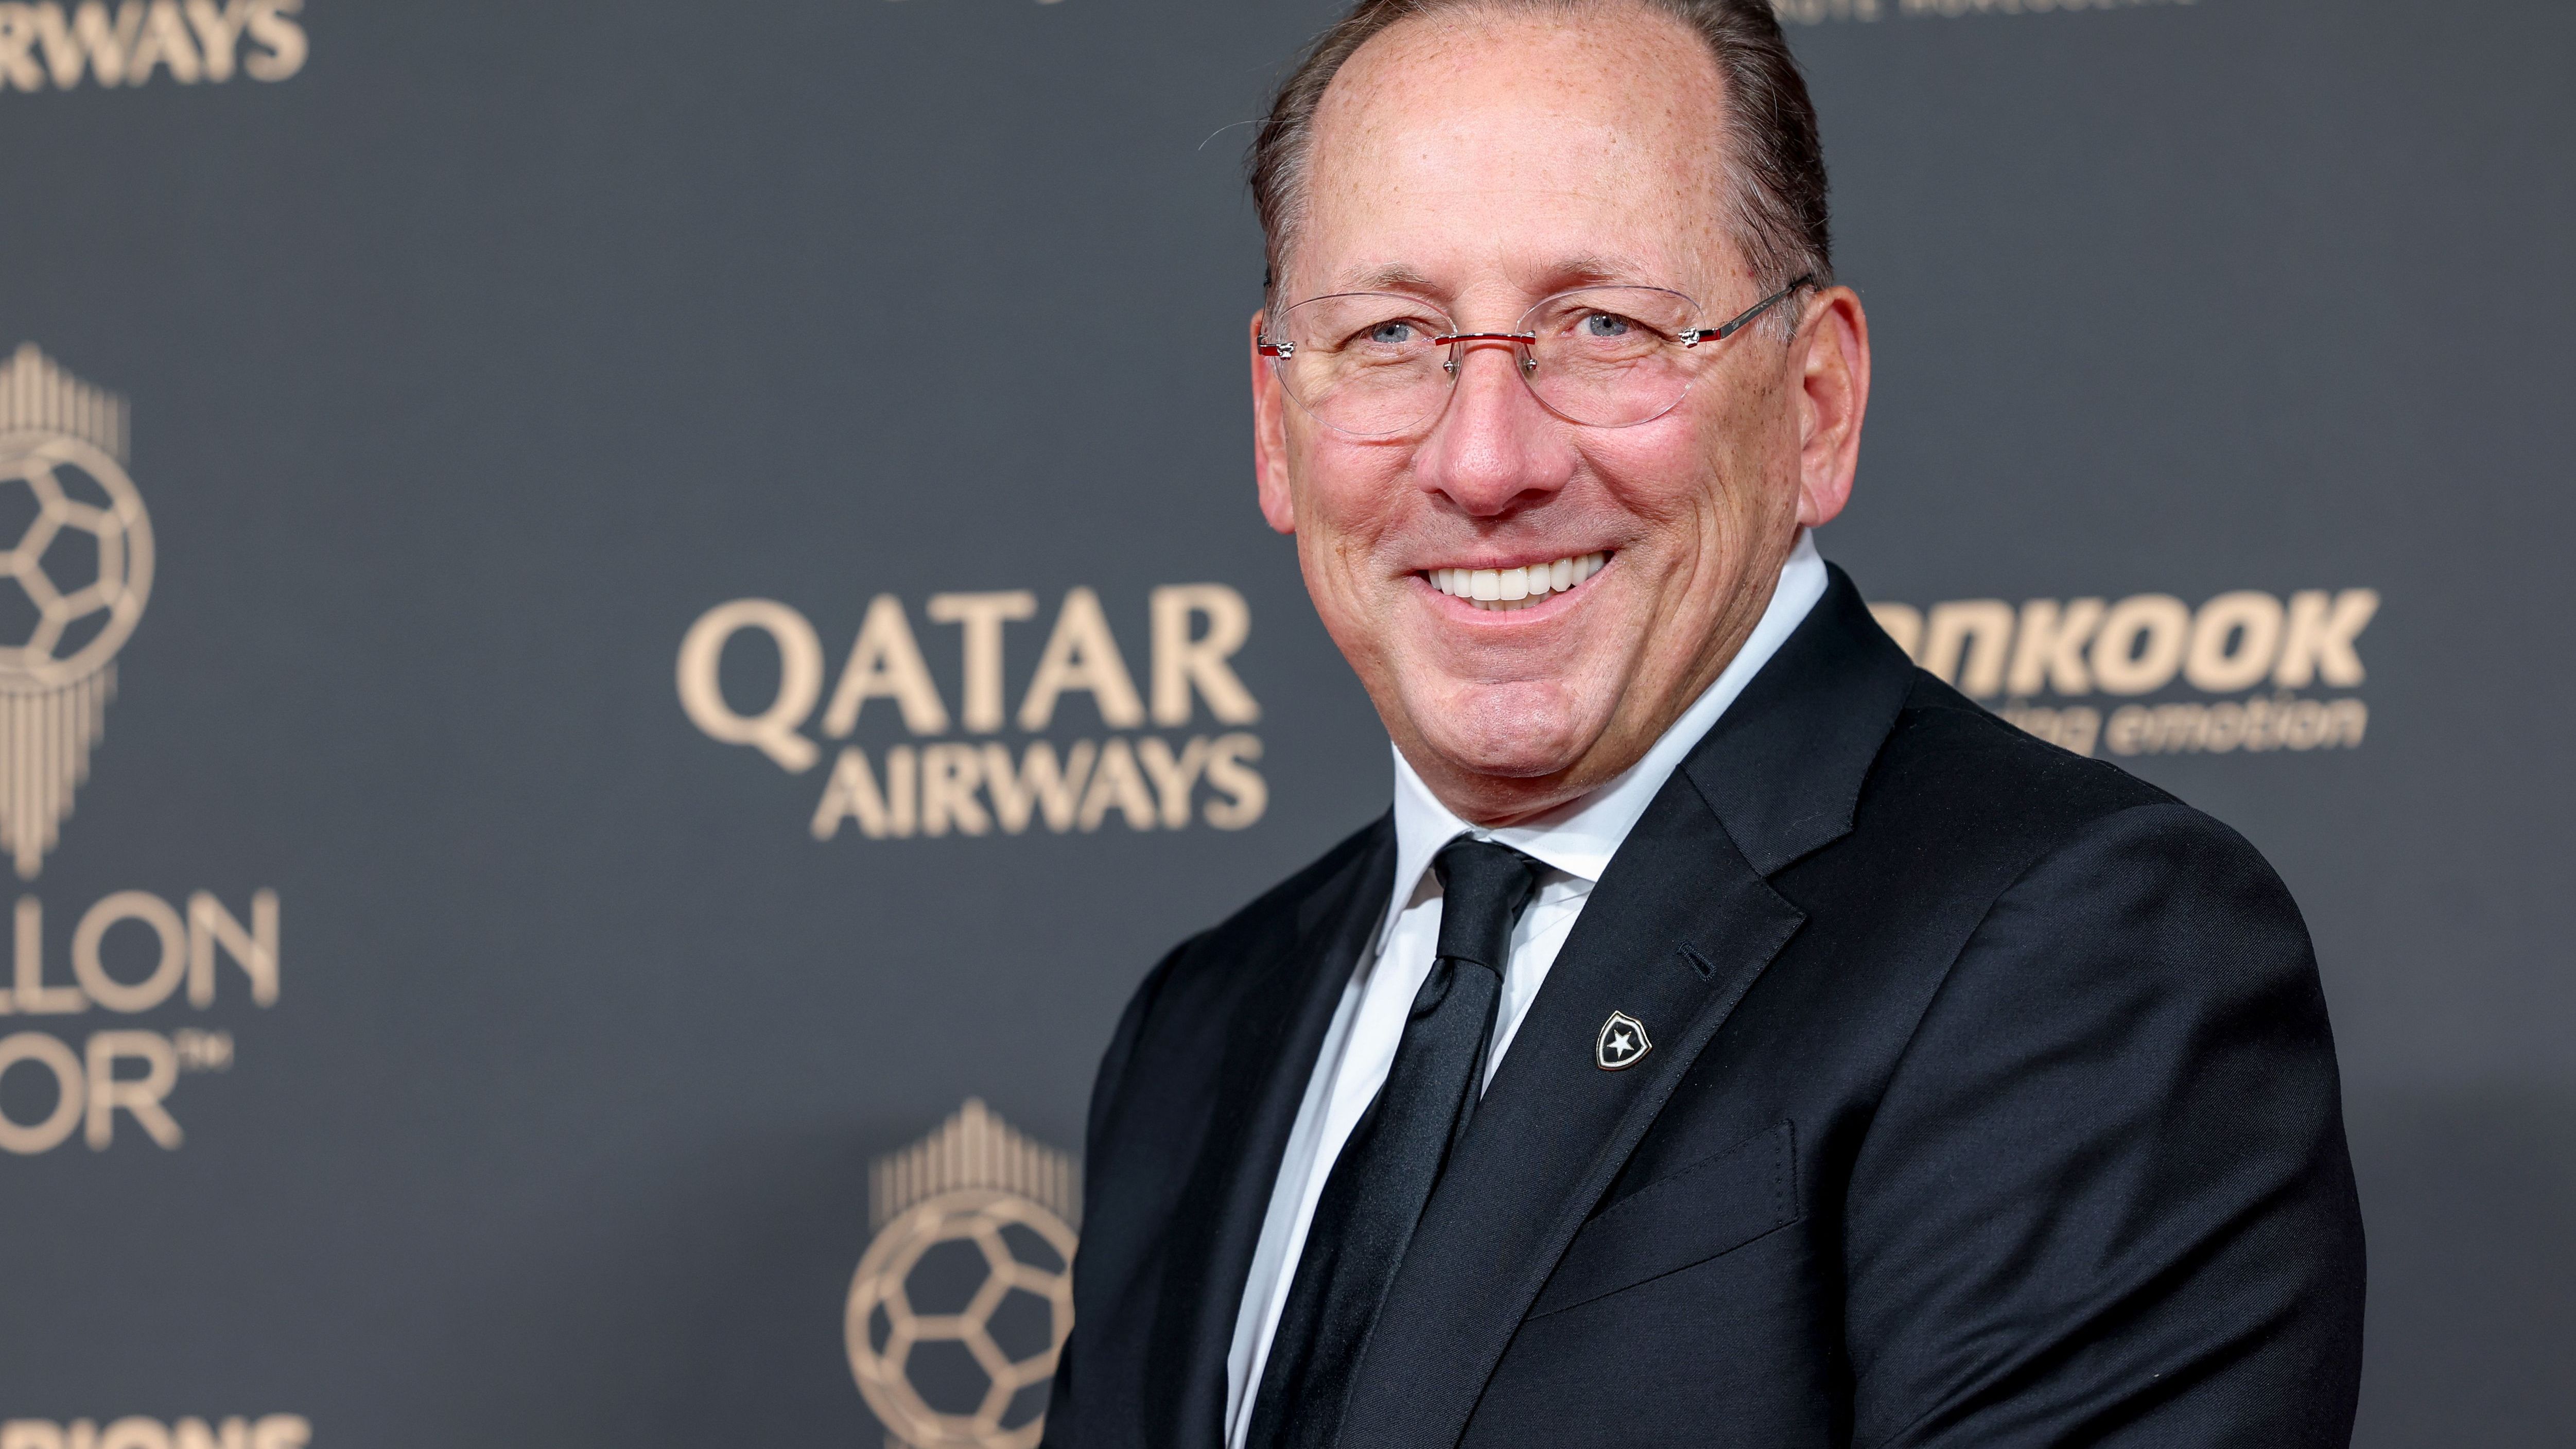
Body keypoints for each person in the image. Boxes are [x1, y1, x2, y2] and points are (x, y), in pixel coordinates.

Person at [1044, 1, 2366, 1444]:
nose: (1484, 460)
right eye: (1389, 335)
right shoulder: (1205, 1021)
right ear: (1273, 420)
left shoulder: (2087, 949)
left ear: (1815, 400)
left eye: (1603, 325)